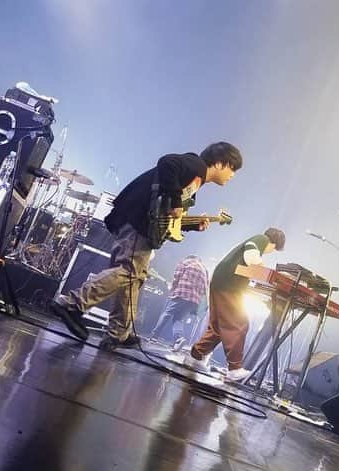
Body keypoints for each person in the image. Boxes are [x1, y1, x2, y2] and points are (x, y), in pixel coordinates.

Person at [51, 143, 242, 351]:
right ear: (221, 163)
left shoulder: (195, 182)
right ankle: (71, 304)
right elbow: (167, 162)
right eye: (233, 169)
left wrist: (193, 224)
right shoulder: (195, 165)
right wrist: (178, 201)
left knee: (133, 278)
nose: (232, 176)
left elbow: (168, 216)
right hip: (138, 221)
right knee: (130, 272)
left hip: (138, 222)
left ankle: (119, 333)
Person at [185, 228, 286, 381]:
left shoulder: (252, 241)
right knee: (238, 323)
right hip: (228, 285)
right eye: (274, 248)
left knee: (219, 327)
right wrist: (265, 270)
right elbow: (251, 257)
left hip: (221, 282)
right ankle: (234, 369)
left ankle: (195, 356)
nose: (271, 251)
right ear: (274, 242)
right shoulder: (261, 238)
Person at [151, 255, 208, 345]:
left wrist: (172, 289)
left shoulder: (185, 263)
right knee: (179, 318)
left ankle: (154, 336)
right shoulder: (204, 270)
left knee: (167, 313)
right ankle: (179, 339)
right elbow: (205, 288)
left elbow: (176, 277)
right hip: (194, 300)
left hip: (182, 294)